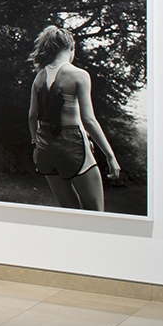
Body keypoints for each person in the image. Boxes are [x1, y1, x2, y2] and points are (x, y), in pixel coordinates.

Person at [28, 25, 119, 212]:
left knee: (70, 210)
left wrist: (36, 145)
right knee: (95, 213)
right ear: (71, 48)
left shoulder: (39, 77)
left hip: (45, 146)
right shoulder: (79, 75)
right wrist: (110, 156)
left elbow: (32, 116)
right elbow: (89, 120)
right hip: (72, 144)